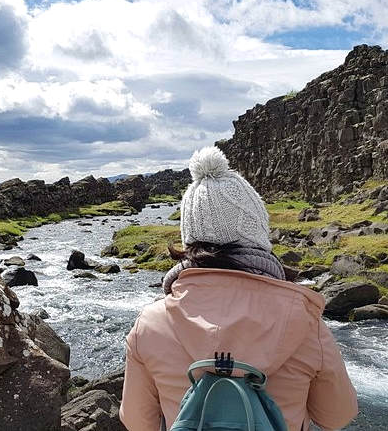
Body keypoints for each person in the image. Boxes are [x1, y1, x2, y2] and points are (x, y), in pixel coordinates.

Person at [119, 147, 358, 431]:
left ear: (189, 239)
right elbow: (337, 416)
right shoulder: (305, 320)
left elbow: (137, 423)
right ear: (256, 231)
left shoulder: (149, 324)